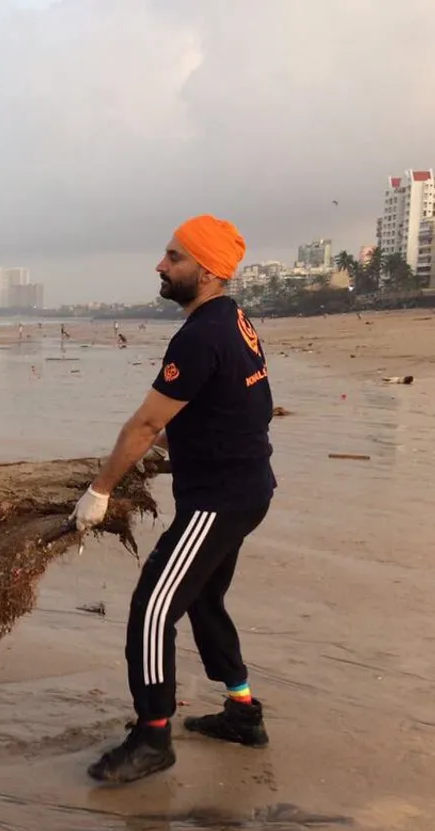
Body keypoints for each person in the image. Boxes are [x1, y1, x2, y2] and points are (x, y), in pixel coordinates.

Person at [72, 214, 275, 784]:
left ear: (207, 272)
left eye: (173, 257)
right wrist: (177, 440)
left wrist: (99, 490)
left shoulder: (202, 333)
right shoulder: (232, 319)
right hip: (244, 487)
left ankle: (153, 736)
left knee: (153, 608)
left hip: (219, 498)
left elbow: (144, 423)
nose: (160, 266)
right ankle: (241, 712)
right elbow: (233, 406)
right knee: (205, 600)